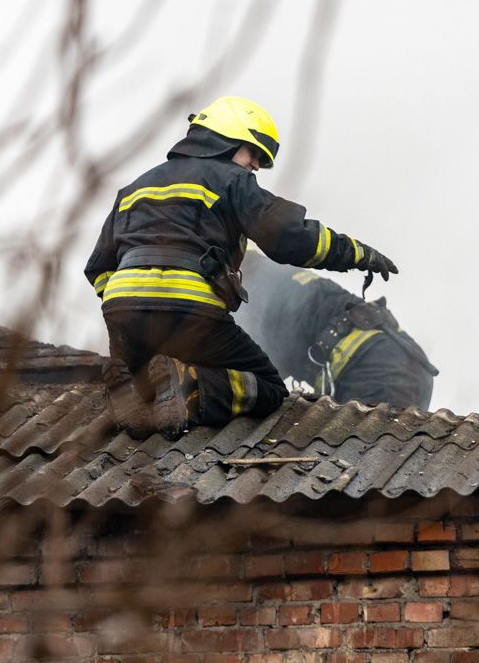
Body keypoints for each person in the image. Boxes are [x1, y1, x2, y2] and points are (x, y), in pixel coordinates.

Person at [84, 96, 397, 436]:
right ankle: (191, 385)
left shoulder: (133, 188)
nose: (256, 167)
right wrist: (356, 253)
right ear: (226, 138)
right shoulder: (231, 180)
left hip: (123, 313)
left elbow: (98, 267)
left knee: (151, 387)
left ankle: (134, 385)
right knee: (268, 386)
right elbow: (289, 237)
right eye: (254, 154)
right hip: (189, 311)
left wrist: (132, 308)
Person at [237, 253, 437, 410]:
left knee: (351, 454)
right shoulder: (278, 273)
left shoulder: (247, 294)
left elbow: (254, 376)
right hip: (411, 363)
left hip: (377, 371)